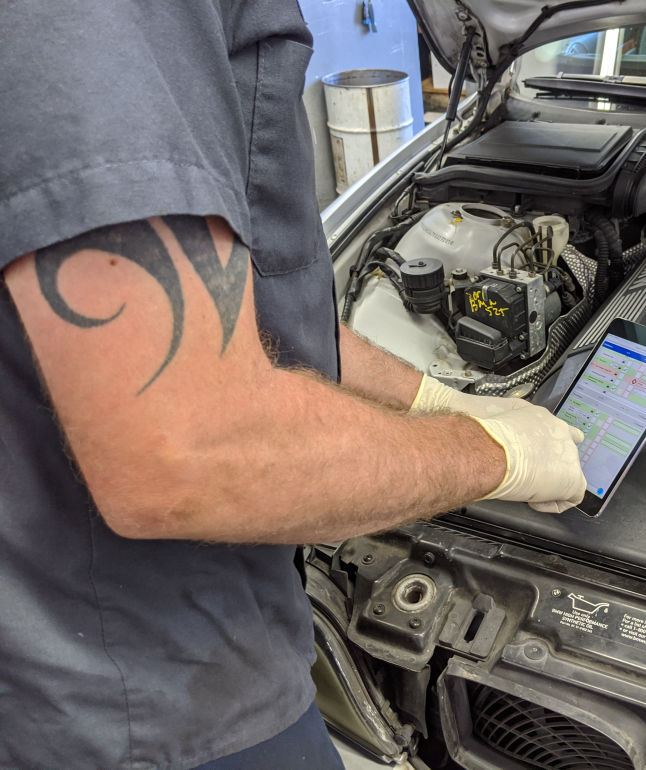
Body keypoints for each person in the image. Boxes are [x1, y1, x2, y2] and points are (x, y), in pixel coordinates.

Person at [0, 2, 587, 767]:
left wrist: (436, 400)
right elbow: (188, 452)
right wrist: (495, 455)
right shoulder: (104, 21)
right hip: (142, 703)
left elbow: (252, 316)